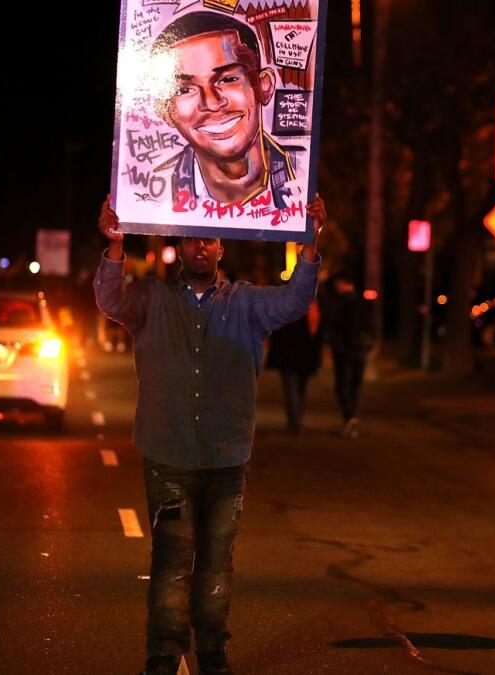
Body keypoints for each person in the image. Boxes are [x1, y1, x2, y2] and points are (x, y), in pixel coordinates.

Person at [96, 195, 326, 675]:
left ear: (222, 248)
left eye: (210, 238)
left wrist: (308, 243)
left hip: (226, 455)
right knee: (172, 560)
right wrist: (116, 246)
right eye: (193, 238)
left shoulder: (245, 304)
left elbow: (294, 299)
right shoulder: (152, 300)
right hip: (169, 453)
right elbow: (110, 299)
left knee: (216, 564)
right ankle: (163, 653)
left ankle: (212, 654)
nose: (202, 245)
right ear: (179, 246)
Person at [152, 11, 298, 209]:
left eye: (228, 79)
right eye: (184, 90)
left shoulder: (302, 175)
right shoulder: (152, 194)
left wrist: (312, 235)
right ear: (165, 110)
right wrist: (116, 239)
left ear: (264, 86)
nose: (212, 103)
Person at [321, 272, 375, 438]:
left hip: (343, 349)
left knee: (342, 384)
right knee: (355, 384)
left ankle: (349, 416)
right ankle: (351, 417)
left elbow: (331, 325)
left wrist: (332, 341)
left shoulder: (337, 303)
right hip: (360, 349)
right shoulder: (363, 302)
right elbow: (371, 324)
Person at [264, 303, 321, 433]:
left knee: (291, 389)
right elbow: (315, 332)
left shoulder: (285, 307)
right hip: (304, 355)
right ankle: (297, 419)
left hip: (288, 355)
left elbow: (276, 330)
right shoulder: (311, 307)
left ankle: (294, 421)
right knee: (300, 388)